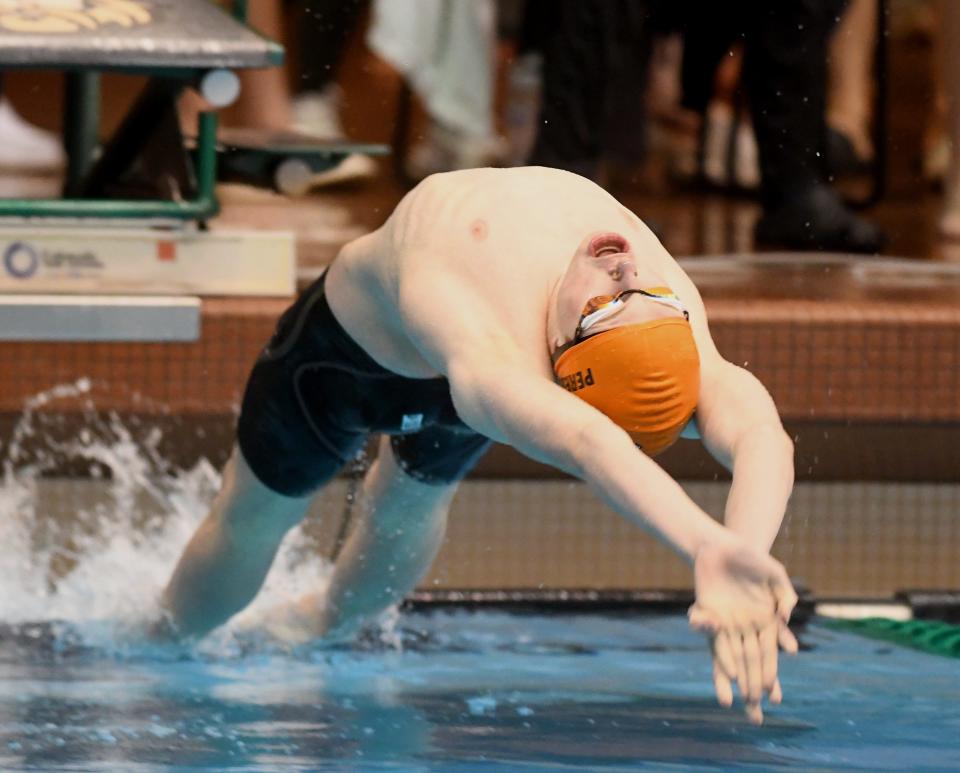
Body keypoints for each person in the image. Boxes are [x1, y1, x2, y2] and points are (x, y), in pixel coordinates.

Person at [160, 166, 799, 725]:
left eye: (609, 304)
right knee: (260, 517)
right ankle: (173, 637)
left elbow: (590, 439)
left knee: (388, 508)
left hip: (391, 366)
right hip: (362, 355)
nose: (625, 266)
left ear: (559, 365)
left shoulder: (502, 364)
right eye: (643, 292)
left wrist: (717, 549)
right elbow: (759, 433)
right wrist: (727, 548)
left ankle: (290, 631)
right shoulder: (660, 299)